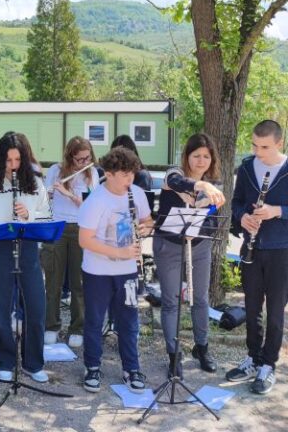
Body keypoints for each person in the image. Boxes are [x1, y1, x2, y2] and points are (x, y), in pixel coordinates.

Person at [0, 133, 51, 383]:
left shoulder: (35, 183)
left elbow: (46, 216)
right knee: (2, 308)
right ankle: (4, 361)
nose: (13, 165)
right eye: (8, 160)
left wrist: (29, 215)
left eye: (17, 160)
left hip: (27, 247)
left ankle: (33, 363)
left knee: (36, 307)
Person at [78, 146, 153, 394]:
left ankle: (131, 368)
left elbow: (147, 220)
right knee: (95, 320)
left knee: (129, 319)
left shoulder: (137, 194)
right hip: (97, 272)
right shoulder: (96, 200)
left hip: (128, 271)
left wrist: (145, 229)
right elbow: (85, 240)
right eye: (124, 175)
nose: (129, 180)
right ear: (109, 174)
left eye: (132, 174)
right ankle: (92, 366)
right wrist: (119, 253)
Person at [154, 133, 225, 380]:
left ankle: (201, 348)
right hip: (169, 245)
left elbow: (212, 221)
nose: (201, 161)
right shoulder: (174, 174)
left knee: (201, 298)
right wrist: (198, 187)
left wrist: (207, 200)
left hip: (200, 246)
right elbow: (173, 180)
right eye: (196, 156)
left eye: (206, 156)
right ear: (187, 156)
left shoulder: (214, 183)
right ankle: (173, 355)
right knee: (172, 301)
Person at [228, 120, 288, 395]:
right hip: (252, 248)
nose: (258, 151)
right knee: (251, 309)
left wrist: (277, 211)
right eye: (254, 144)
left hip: (281, 251)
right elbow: (237, 202)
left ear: (279, 143)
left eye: (264, 146)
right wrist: (243, 218)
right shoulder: (247, 167)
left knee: (275, 313)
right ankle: (253, 358)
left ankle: (268, 366)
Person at [42, 136, 98, 348]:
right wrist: (50, 193)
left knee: (79, 282)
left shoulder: (92, 173)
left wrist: (68, 192)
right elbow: (45, 198)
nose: (84, 162)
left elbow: (90, 205)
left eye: (87, 158)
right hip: (56, 226)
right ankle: (51, 325)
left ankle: (77, 327)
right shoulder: (56, 170)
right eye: (79, 159)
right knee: (53, 280)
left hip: (80, 228)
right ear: (70, 157)